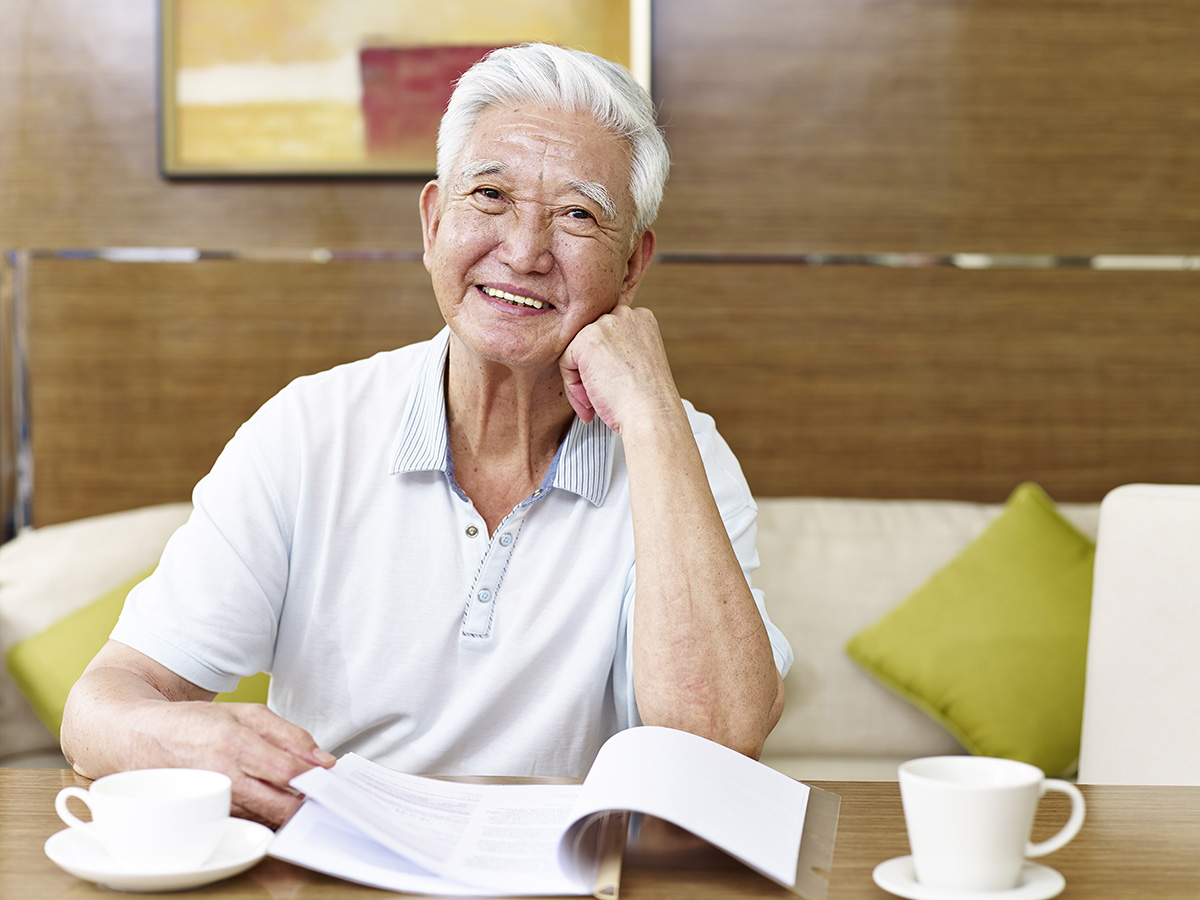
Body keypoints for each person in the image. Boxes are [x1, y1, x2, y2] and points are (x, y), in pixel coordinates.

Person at [61, 43, 791, 827]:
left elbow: (714, 743)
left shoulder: (683, 451)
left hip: (566, 875)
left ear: (632, 267)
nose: (524, 251)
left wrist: (651, 413)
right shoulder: (308, 430)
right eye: (490, 196)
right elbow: (100, 709)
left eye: (578, 215)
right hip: (336, 868)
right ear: (435, 220)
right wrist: (179, 740)